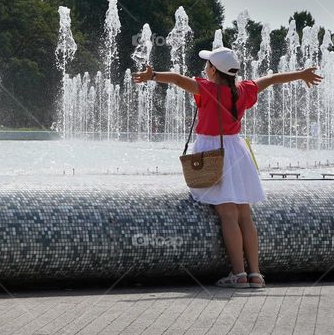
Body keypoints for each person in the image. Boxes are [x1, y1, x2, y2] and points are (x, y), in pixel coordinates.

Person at [134, 47, 322, 289]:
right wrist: (301, 74)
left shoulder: (208, 88)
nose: (205, 68)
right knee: (244, 214)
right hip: (237, 151)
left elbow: (178, 79)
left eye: (207, 65)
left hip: (213, 153)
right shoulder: (244, 89)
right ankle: (255, 274)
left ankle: (239, 273)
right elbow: (273, 79)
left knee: (228, 215)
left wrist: (153, 76)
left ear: (213, 70)